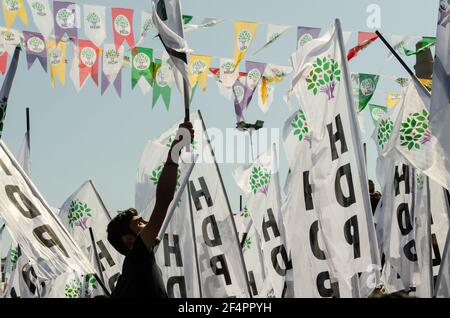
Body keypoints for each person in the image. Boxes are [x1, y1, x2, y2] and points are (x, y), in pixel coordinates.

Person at [106, 121, 194, 298]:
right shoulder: (138, 257)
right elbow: (163, 201)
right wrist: (176, 149)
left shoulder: (131, 274)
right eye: (139, 222)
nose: (147, 222)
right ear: (129, 239)